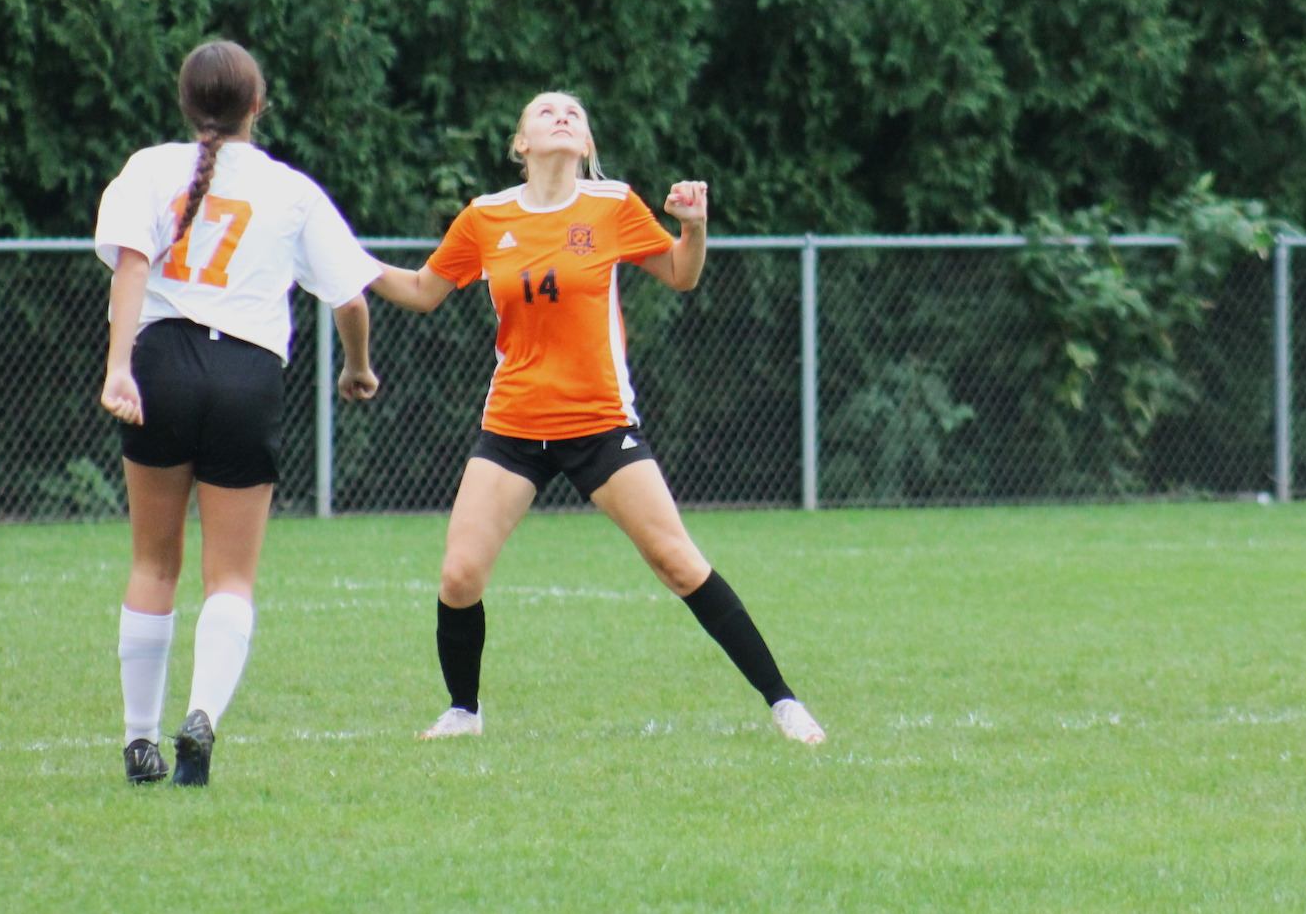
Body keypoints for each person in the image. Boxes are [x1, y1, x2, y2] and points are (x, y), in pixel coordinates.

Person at [370, 91, 825, 744]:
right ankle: (463, 712)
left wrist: (694, 228)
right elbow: (422, 290)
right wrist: (350, 266)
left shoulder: (611, 204)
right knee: (460, 575)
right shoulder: (485, 216)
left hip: (600, 423)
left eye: (574, 114)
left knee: (677, 562)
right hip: (514, 425)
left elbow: (681, 273)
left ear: (585, 145)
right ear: (521, 143)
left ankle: (784, 702)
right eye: (545, 112)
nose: (561, 116)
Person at [95, 40, 383, 786]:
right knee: (230, 577)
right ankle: (201, 717)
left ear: (186, 103)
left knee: (153, 562)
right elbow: (350, 300)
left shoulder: (148, 167)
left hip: (161, 362)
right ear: (257, 106)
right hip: (248, 374)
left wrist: (120, 367)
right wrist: (356, 366)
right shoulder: (291, 188)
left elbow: (131, 266)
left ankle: (138, 741)